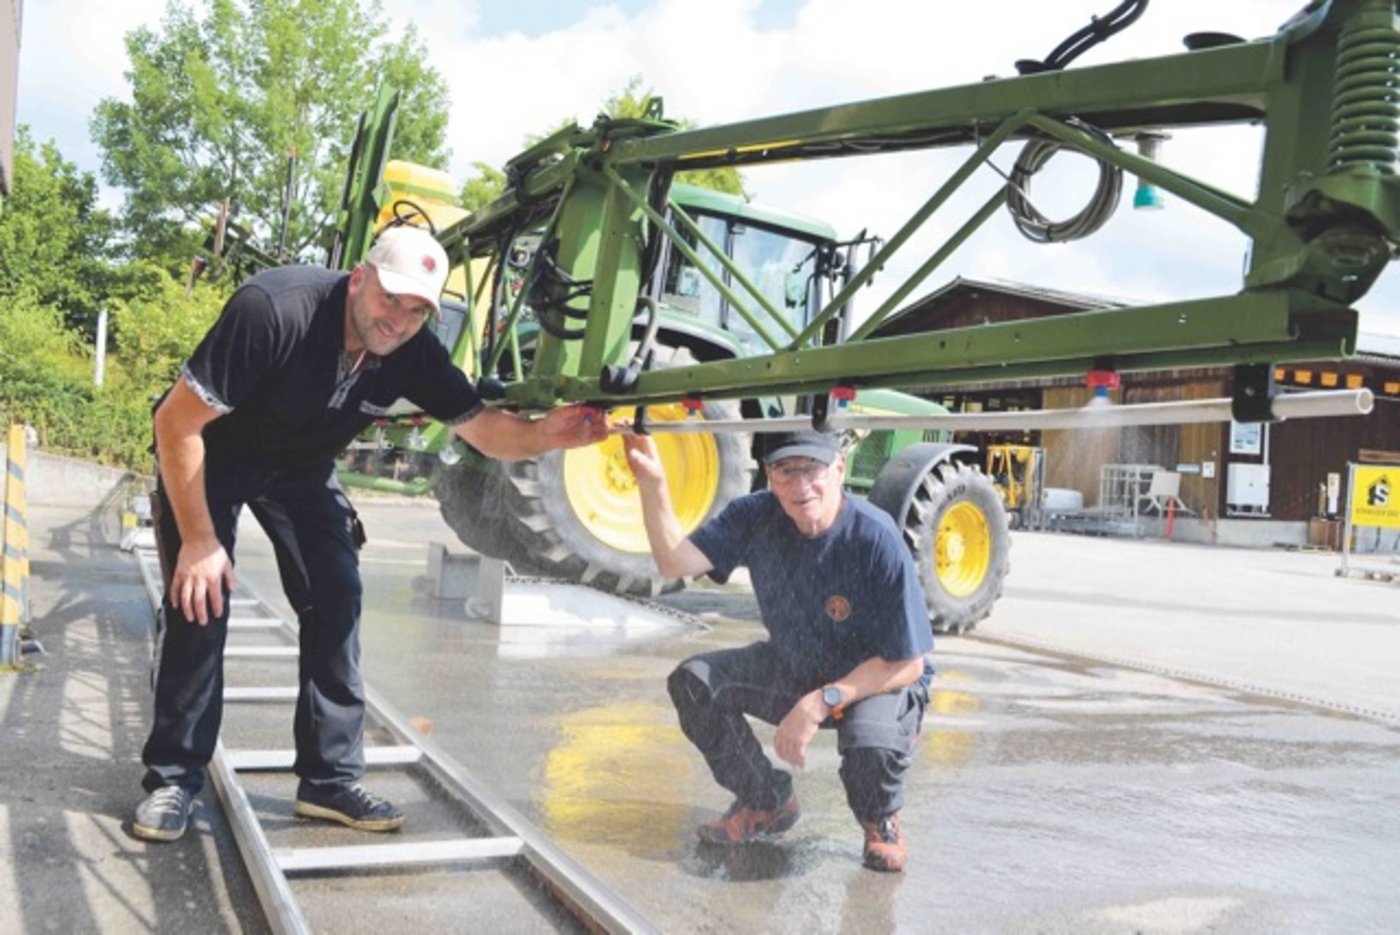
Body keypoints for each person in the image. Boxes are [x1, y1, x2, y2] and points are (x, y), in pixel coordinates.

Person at [132, 226, 607, 842]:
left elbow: (485, 430)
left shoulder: (413, 349)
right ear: (360, 278)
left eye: (416, 310)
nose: (399, 319)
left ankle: (328, 782)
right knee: (202, 603)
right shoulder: (274, 311)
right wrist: (198, 540)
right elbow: (176, 423)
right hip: (212, 458)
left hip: (302, 471)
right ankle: (173, 778)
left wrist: (550, 434)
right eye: (391, 299)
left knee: (337, 597)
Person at [623, 427, 933, 872]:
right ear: (769, 476)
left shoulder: (875, 539)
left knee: (871, 745)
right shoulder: (755, 516)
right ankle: (765, 800)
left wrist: (820, 701)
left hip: (878, 679)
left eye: (812, 469)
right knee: (695, 683)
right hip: (797, 662)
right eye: (785, 472)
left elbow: (908, 663)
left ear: (840, 469)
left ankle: (879, 818)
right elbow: (676, 563)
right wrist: (652, 483)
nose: (799, 486)